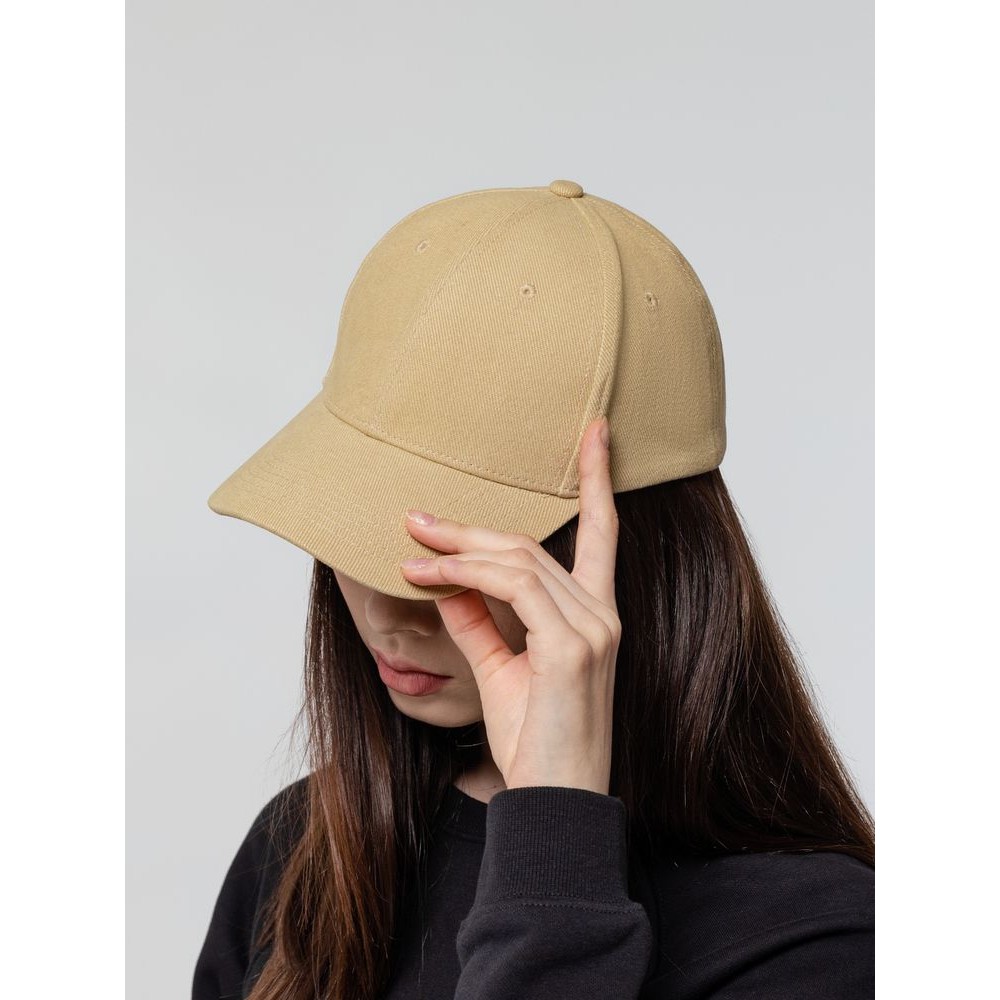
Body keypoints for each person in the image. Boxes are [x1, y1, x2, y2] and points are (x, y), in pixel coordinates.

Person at [193, 179, 875, 1000]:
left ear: (645, 552)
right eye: (356, 527)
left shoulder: (819, 942)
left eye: (463, 557)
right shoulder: (306, 848)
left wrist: (553, 844)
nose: (381, 608)